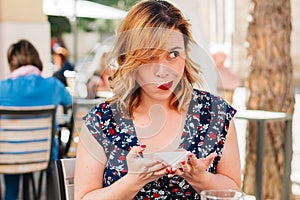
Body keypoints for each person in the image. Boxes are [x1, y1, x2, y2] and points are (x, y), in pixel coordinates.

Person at [74, 1, 241, 199]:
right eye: (150, 57)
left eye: (173, 54)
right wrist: (133, 181)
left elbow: (234, 190)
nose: (164, 71)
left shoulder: (216, 113)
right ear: (130, 59)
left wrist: (200, 178)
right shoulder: (101, 121)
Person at [0, 39, 72, 200]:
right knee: (52, 153)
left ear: (12, 63)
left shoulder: (2, 88)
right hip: (43, 155)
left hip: (9, 155)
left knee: (9, 155)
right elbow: (69, 102)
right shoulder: (53, 85)